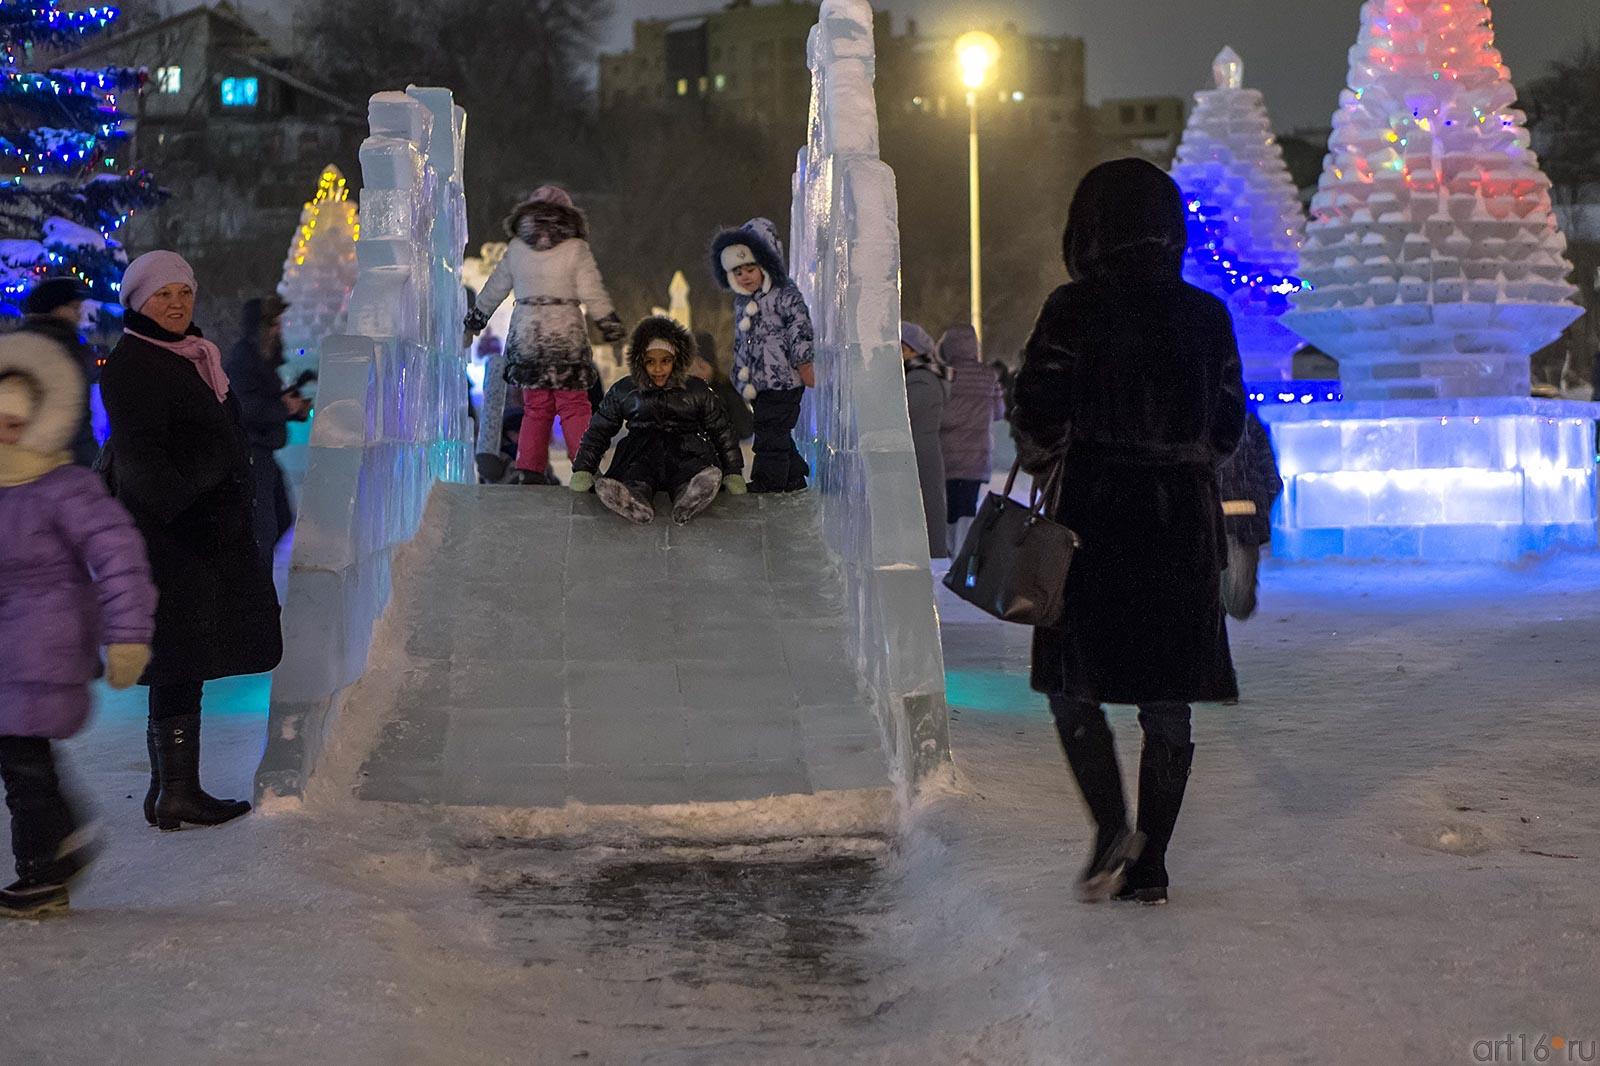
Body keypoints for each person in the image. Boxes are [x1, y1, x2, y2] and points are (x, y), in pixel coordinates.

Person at [1011, 159, 1246, 907]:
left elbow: (1038, 410)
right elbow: (1227, 424)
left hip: (1095, 517)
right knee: (1166, 697)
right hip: (1180, 521)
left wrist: (1058, 449)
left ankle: (1113, 830)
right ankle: (1153, 864)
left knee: (1072, 685)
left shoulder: (1073, 309)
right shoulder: (1206, 316)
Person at [98, 250, 283, 831]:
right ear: (137, 302)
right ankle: (175, 791)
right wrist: (213, 466)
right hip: (175, 540)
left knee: (183, 663)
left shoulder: (190, 356)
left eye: (184, 292)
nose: (176, 303)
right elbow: (145, 467)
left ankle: (171, 791)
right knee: (180, 660)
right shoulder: (135, 365)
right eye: (163, 295)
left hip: (195, 538)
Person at [0, 333, 156, 916]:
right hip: (10, 643)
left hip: (44, 638)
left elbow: (119, 557)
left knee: (21, 754)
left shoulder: (62, 487)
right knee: (21, 752)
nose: (4, 433)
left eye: (15, 422)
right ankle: (59, 848)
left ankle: (44, 870)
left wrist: (129, 635)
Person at [465, 186, 626, 485]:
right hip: (565, 333)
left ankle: (529, 468)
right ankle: (584, 467)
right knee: (574, 405)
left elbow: (494, 289)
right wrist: (609, 323)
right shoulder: (576, 248)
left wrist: (475, 321)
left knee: (535, 407)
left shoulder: (516, 248)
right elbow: (592, 291)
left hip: (527, 334)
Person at [570, 316, 747, 525]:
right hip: (642, 450)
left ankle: (690, 495)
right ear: (639, 361)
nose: (658, 369)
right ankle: (633, 498)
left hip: (685, 449)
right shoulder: (627, 391)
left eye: (666, 361)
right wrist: (584, 467)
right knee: (636, 472)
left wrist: (733, 471)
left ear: (678, 360)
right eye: (650, 362)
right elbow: (600, 429)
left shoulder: (696, 391)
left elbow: (721, 431)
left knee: (690, 470)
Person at [710, 218, 816, 493]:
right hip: (760, 383)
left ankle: (769, 482)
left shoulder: (783, 294)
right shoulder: (743, 301)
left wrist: (803, 361)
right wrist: (740, 373)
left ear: (766, 265)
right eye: (738, 272)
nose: (745, 277)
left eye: (750, 269)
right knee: (773, 430)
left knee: (770, 433)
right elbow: (742, 342)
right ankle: (793, 475)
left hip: (784, 380)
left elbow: (800, 326)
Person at [224, 296, 310, 567]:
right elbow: (245, 406)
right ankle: (256, 593)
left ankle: (257, 587)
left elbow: (263, 400)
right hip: (250, 453)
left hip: (263, 452)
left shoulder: (264, 358)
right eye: (273, 324)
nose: (278, 329)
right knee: (263, 528)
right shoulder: (243, 357)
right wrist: (284, 407)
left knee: (279, 518)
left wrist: (291, 406)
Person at [938, 324, 1005, 556]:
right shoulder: (988, 375)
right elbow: (999, 412)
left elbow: (938, 410)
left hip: (947, 451)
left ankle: (947, 549)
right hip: (977, 453)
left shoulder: (944, 373)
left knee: (949, 505)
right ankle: (962, 553)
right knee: (968, 504)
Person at [19, 277, 99, 468]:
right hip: (65, 461)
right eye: (74, 308)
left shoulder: (26, 343)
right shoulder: (61, 349)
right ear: (55, 308)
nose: (79, 316)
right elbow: (75, 420)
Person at [1217, 410, 1283, 622]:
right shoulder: (1244, 420)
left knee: (1236, 602)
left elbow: (1269, 474)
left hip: (1239, 521)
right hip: (1230, 520)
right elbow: (1269, 474)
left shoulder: (1245, 422)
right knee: (1231, 602)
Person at [901, 322, 950, 560]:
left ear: (913, 350)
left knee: (927, 513)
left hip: (921, 455)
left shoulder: (921, 379)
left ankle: (932, 558)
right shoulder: (918, 376)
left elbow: (903, 412)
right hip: (920, 453)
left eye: (900, 348)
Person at [693, 330, 755, 440]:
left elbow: (745, 428)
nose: (696, 372)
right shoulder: (681, 392)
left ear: (712, 366)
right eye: (692, 367)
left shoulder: (726, 391)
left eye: (702, 366)